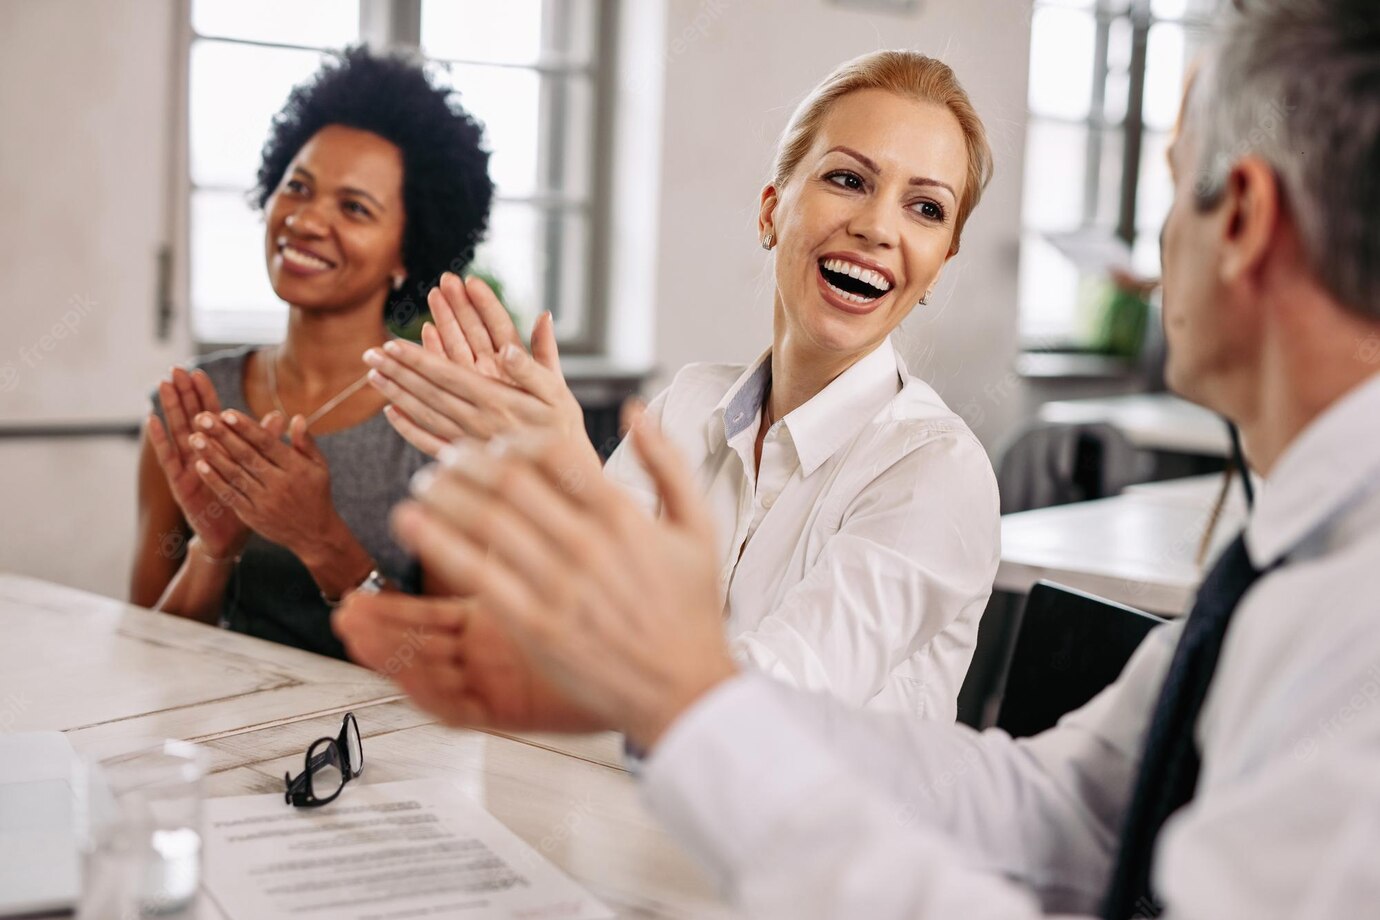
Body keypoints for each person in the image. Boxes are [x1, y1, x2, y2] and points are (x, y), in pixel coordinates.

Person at [337, 1, 1380, 916]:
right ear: (772, 206)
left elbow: (719, 684)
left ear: (1237, 216)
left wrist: (679, 689)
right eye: (847, 179)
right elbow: (1062, 810)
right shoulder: (1283, 562)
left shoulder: (1349, 605)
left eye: (1168, 188)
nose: (1150, 251)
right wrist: (656, 675)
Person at [357, 50, 1002, 717]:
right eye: (847, 179)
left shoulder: (937, 474)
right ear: (771, 212)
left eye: (926, 208)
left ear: (940, 262)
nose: (877, 227)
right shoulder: (688, 408)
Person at [129, 47, 494, 658]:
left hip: (379, 751)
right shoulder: (195, 404)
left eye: (354, 207)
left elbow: (455, 670)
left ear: (408, 250)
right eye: (297, 187)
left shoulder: (442, 421)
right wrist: (212, 550)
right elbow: (142, 651)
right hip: (214, 742)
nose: (305, 219)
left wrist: (323, 540)